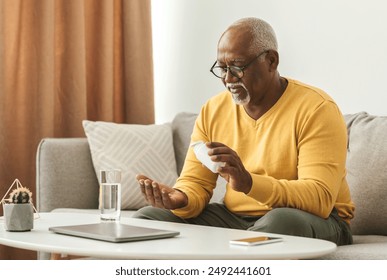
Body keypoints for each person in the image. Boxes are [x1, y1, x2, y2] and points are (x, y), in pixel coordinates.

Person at [133, 17, 355, 245]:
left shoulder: (316, 108)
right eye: (222, 68)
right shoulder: (213, 110)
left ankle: (242, 247)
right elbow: (195, 182)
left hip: (317, 219)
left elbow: (319, 198)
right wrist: (179, 199)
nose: (228, 78)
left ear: (271, 60)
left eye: (237, 67)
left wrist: (249, 183)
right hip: (236, 219)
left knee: (281, 222)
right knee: (149, 219)